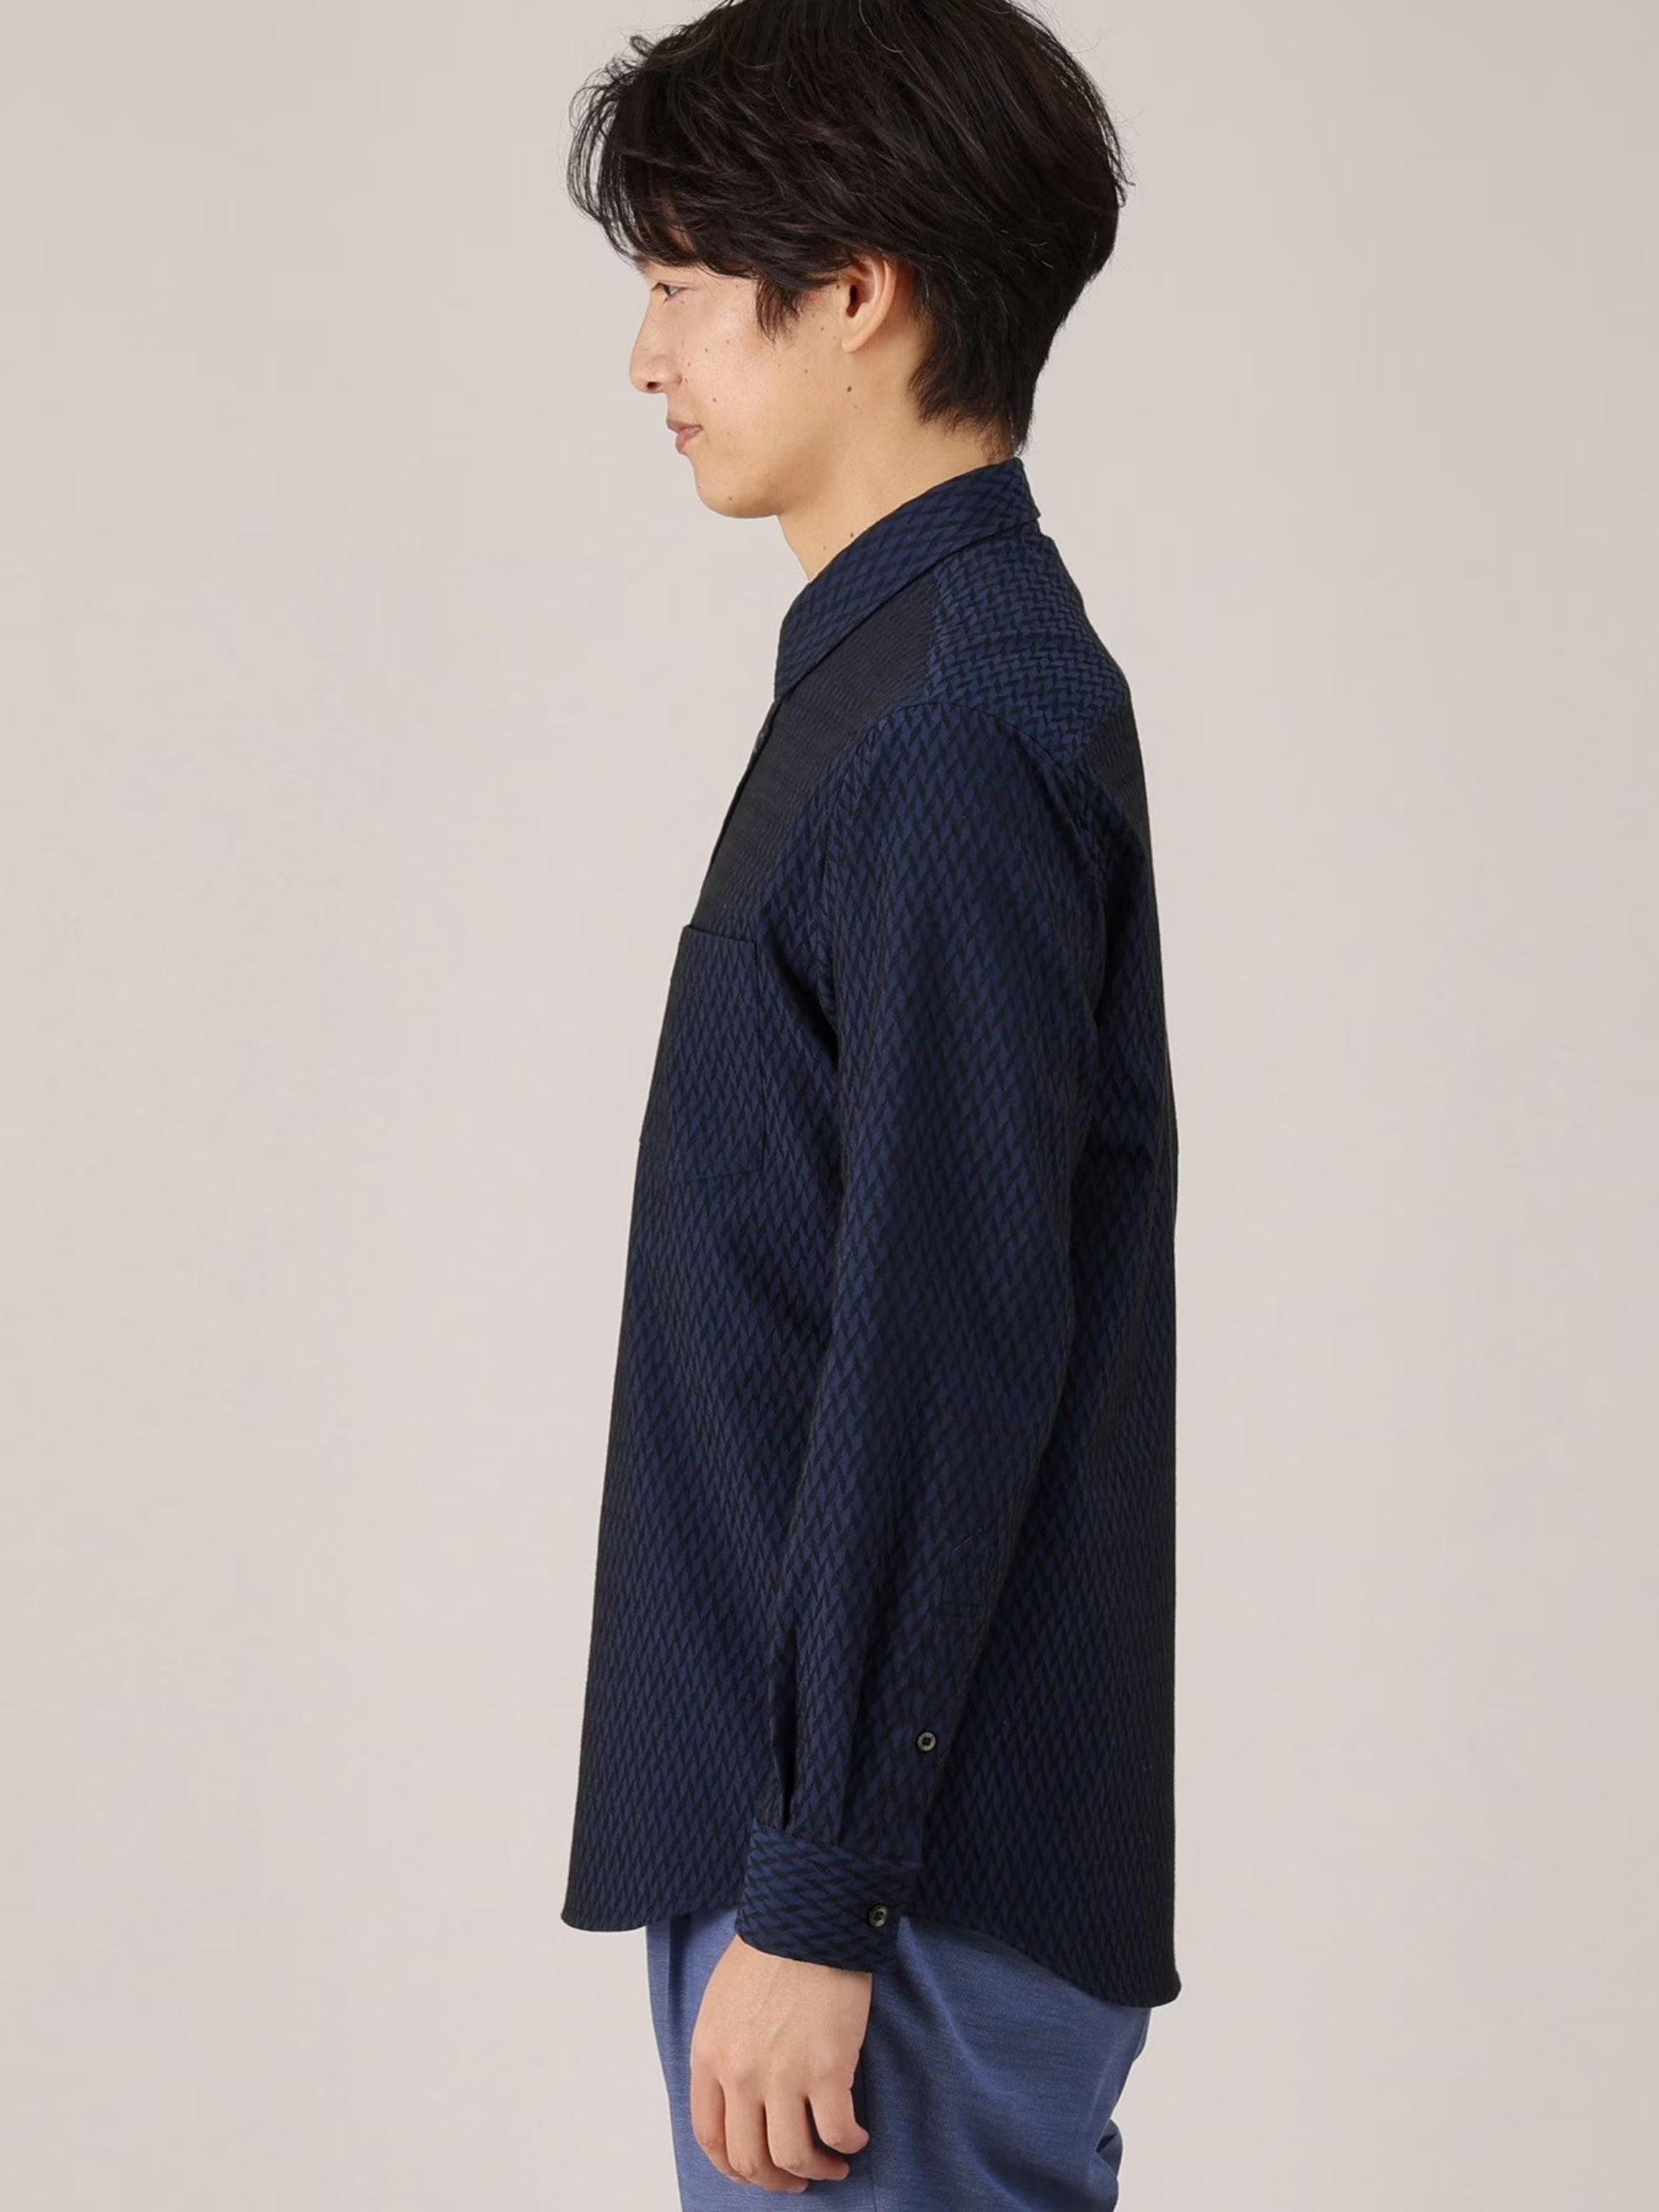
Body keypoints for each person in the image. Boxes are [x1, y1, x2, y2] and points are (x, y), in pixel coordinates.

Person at [559, 1, 1180, 2200]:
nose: (646, 357)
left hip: (884, 1890)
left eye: (680, 281)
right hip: (841, 1847)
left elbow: (945, 1335)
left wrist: (823, 1889)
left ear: (855, 292)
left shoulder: (948, 731)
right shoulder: (894, 684)